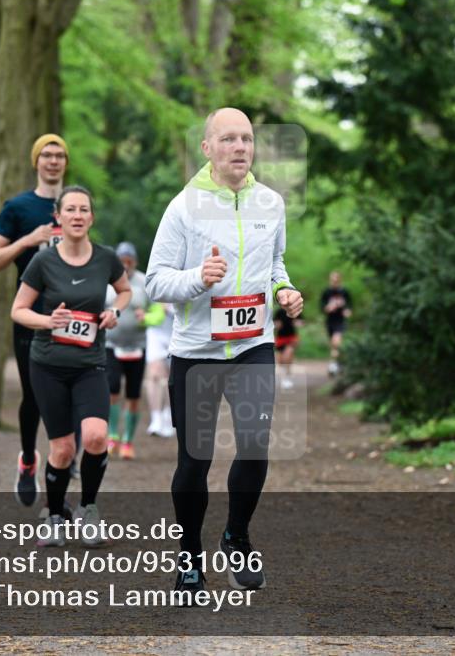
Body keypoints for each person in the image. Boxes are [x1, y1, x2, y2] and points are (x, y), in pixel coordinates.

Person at [146, 107, 303, 601]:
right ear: (207, 148)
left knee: (256, 446)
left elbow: (275, 261)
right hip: (196, 352)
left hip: (253, 346)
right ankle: (189, 557)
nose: (240, 147)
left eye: (247, 139)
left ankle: (236, 535)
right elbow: (155, 281)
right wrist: (198, 279)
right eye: (229, 139)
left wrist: (285, 290)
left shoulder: (271, 203)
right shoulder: (183, 208)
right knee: (195, 460)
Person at [11, 185, 131, 547]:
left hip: (90, 363)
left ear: (91, 218)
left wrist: (115, 311)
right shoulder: (43, 261)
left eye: (84, 210)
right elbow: (18, 310)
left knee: (96, 437)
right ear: (58, 218)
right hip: (47, 365)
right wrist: (49, 321)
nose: (77, 215)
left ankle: (89, 509)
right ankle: (54, 516)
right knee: (62, 449)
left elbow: (124, 290)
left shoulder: (106, 258)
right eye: (71, 210)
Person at [0, 133, 68, 506]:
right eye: (46, 155)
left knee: (64, 394)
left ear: (66, 162)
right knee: (34, 394)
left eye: (59, 155)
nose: (52, 161)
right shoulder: (17, 207)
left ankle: (59, 474)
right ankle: (29, 460)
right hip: (30, 311)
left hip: (70, 313)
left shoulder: (75, 206)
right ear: (36, 162)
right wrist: (27, 240)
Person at [104, 242, 150, 460]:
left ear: (135, 262)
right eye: (121, 260)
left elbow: (158, 311)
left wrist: (147, 318)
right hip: (111, 345)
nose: (125, 264)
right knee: (112, 390)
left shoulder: (144, 282)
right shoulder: (106, 280)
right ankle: (112, 435)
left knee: (133, 395)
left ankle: (128, 441)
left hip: (137, 346)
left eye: (129, 260)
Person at [144, 302, 175, 438]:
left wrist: (168, 308)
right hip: (156, 331)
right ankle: (156, 418)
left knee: (170, 378)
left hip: (178, 332)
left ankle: (168, 417)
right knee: (155, 374)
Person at [320, 270, 352, 377]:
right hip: (330, 321)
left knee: (336, 341)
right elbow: (322, 307)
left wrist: (347, 310)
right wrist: (329, 307)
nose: (334, 281)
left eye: (336, 279)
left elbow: (349, 305)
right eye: (332, 279)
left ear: (339, 280)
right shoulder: (326, 292)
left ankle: (333, 365)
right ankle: (339, 363)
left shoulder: (344, 292)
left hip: (340, 321)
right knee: (334, 345)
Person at [273, 306, 301, 390]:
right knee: (280, 361)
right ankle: (285, 377)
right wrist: (277, 325)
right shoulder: (279, 311)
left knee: (287, 357)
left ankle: (287, 378)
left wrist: (297, 322)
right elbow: (274, 323)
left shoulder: (295, 309)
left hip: (291, 337)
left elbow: (301, 322)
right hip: (280, 338)